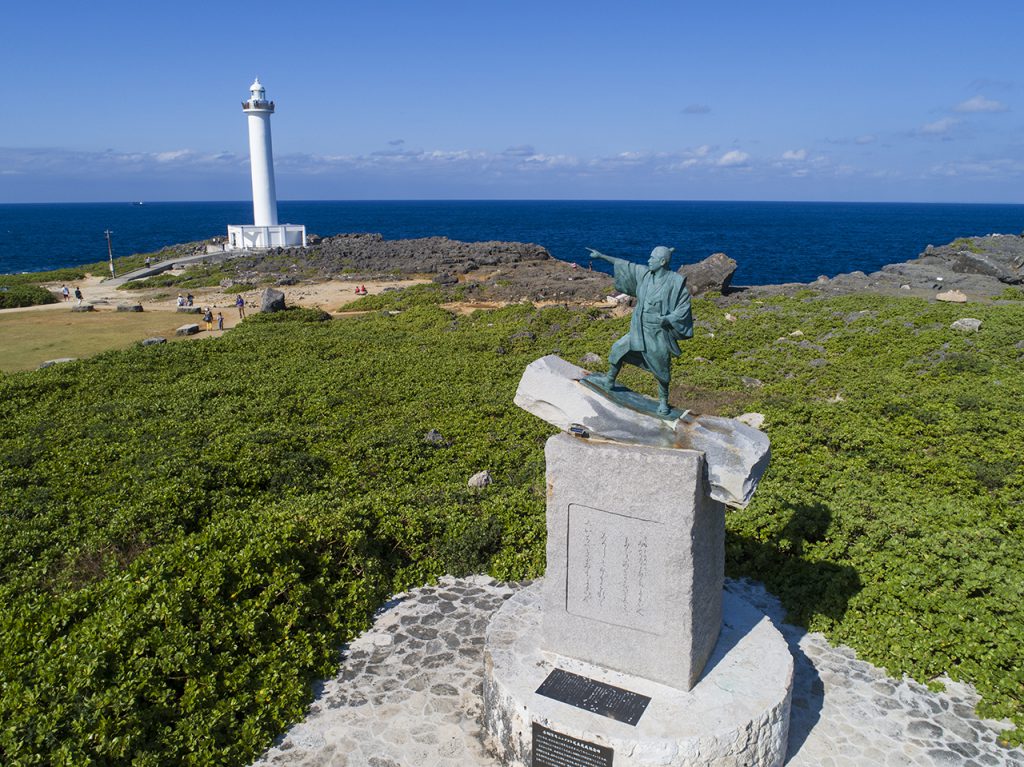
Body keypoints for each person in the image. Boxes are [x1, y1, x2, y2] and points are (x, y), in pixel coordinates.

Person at [585, 245, 693, 416]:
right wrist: (602, 256)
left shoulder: (675, 282)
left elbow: (683, 308)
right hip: (639, 328)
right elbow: (626, 265)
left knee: (661, 368)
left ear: (663, 261)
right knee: (618, 349)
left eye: (652, 258)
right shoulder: (646, 275)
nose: (648, 260)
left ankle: (663, 401)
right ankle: (609, 380)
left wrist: (667, 318)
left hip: (657, 332)